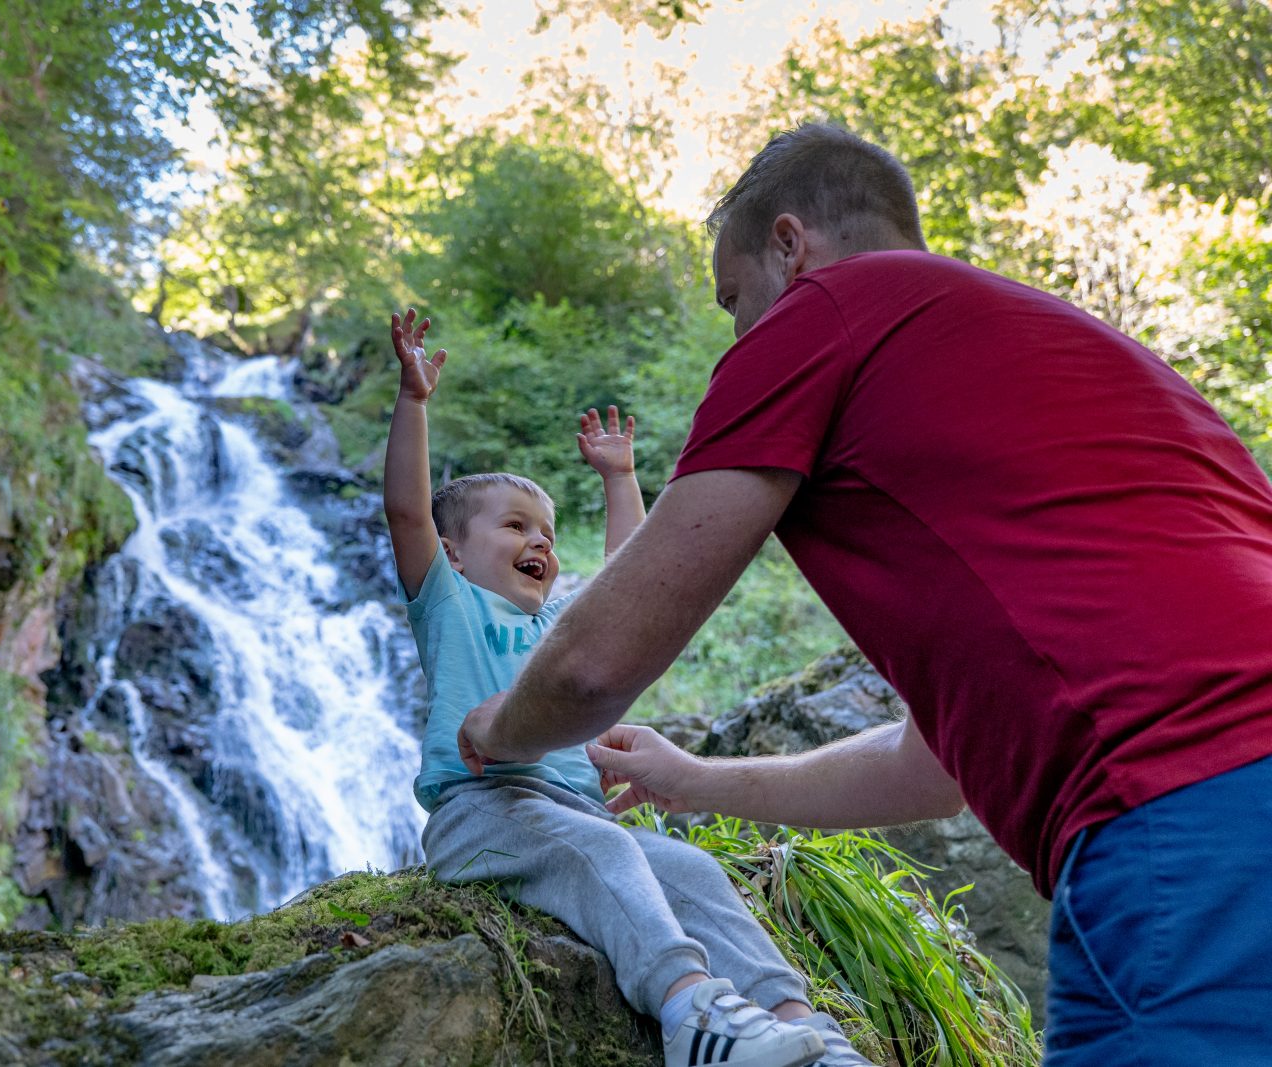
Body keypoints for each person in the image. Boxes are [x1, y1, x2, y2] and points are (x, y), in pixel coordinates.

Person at [455, 123, 1272, 1065]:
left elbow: (598, 663)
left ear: (790, 247)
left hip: (1188, 815)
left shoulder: (823, 315)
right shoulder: (1082, 361)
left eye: (731, 300)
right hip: (1171, 833)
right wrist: (689, 778)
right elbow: (931, 771)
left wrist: (495, 734)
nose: (735, 332)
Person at [384, 307, 867, 1067]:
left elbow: (629, 579)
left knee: (692, 870)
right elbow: (407, 510)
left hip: (579, 810)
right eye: (514, 526)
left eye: (544, 530)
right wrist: (413, 403)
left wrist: (620, 477)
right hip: (483, 811)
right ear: (454, 552)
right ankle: (690, 1012)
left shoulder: (560, 639)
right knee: (596, 852)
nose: (537, 540)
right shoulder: (450, 601)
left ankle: (803, 1028)